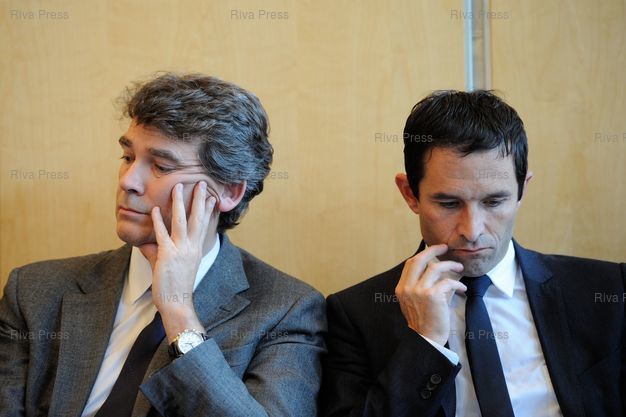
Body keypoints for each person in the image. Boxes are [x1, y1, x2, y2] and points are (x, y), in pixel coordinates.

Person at [0, 73, 326, 417]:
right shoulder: (34, 291)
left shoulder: (285, 310)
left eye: (161, 166)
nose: (128, 181)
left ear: (229, 191)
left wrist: (178, 312)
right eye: (128, 157)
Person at [319, 90, 625, 417]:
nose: (472, 230)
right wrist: (425, 343)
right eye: (449, 203)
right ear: (410, 194)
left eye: (494, 202)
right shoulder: (355, 315)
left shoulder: (609, 288)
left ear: (522, 189)